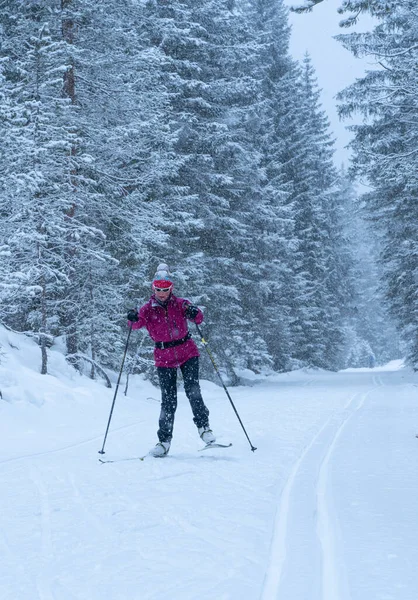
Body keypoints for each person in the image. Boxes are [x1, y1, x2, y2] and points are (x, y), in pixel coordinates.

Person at [127, 263, 216, 457]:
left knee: (193, 391)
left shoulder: (181, 303)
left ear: (171, 288)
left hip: (187, 353)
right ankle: (164, 441)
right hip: (163, 357)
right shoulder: (147, 309)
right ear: (154, 289)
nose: (161, 293)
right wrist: (132, 318)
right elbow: (134, 325)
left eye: (165, 290)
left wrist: (194, 313)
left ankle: (204, 429)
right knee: (168, 401)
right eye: (158, 289)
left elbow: (198, 318)